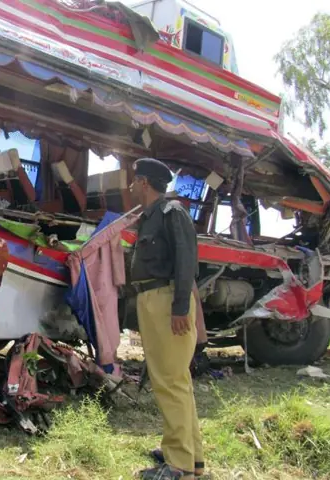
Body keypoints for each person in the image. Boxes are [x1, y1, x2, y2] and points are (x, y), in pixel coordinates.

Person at [129, 158, 205, 480]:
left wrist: (178, 309)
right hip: (152, 299)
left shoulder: (171, 213)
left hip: (165, 300)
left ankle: (178, 465)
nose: (131, 185)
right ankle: (192, 457)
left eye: (134, 180)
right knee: (177, 381)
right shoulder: (149, 218)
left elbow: (186, 260)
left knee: (169, 382)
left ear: (145, 183)